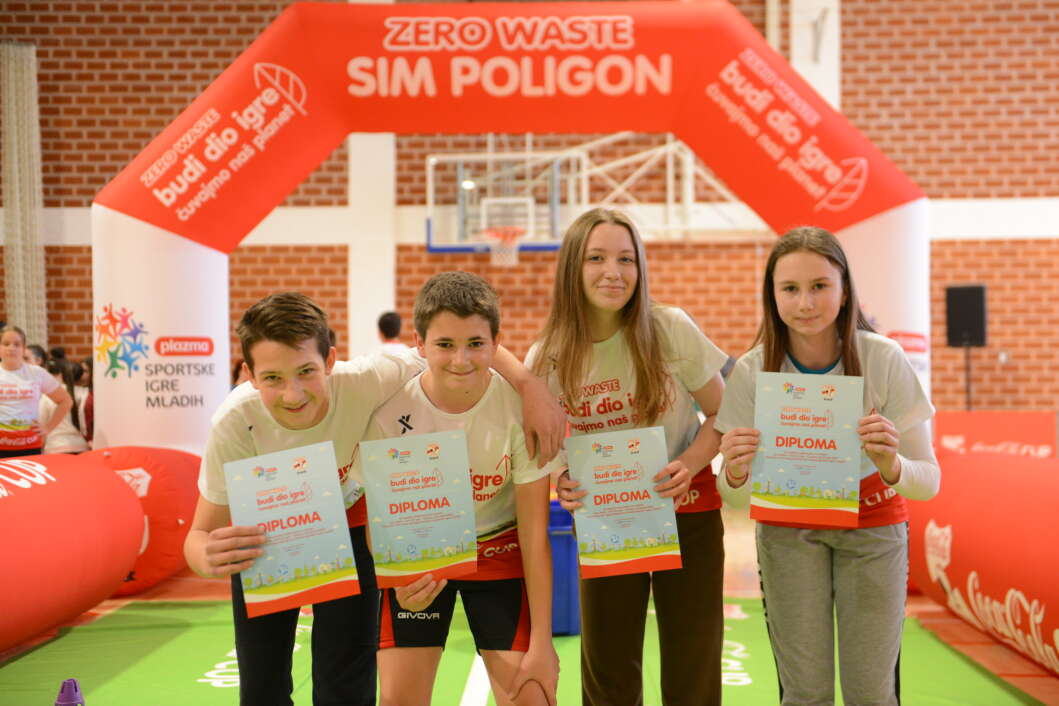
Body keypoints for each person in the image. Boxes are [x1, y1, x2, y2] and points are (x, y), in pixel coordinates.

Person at [183, 292, 563, 706]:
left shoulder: (367, 380)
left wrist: (529, 385)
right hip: (266, 538)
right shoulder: (234, 422)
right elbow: (199, 535)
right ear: (250, 376)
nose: (294, 394)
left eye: (306, 371)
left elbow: (461, 340)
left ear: (330, 360)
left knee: (346, 684)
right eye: (273, 378)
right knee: (261, 689)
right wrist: (205, 557)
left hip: (350, 527)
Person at [716, 226, 940, 705]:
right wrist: (735, 472)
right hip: (786, 533)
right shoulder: (753, 370)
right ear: (772, 295)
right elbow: (733, 495)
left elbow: (929, 481)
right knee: (805, 693)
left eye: (819, 286)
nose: (805, 303)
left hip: (873, 529)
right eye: (790, 288)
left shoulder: (883, 358)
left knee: (870, 694)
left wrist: (892, 465)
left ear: (845, 290)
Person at [527, 208, 728, 706]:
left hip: (687, 513)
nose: (613, 272)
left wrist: (691, 463)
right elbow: (540, 441)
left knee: (693, 663)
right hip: (606, 519)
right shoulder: (548, 354)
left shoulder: (668, 327)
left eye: (626, 259)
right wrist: (562, 475)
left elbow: (725, 413)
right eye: (596, 258)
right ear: (573, 267)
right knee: (608, 669)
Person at [354, 272, 558, 706]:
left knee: (533, 698)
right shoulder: (389, 413)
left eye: (475, 344)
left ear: (496, 342)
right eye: (445, 344)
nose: (461, 360)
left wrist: (543, 641)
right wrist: (397, 576)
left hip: (499, 549)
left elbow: (534, 535)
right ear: (420, 343)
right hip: (423, 556)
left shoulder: (520, 410)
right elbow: (377, 521)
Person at [0, 325, 73, 458]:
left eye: (17, 344)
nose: (11, 348)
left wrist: (48, 428)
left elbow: (66, 401)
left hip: (29, 445)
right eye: (6, 344)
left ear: (23, 348)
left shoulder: (36, 373)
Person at [39, 359, 91, 454]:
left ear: (59, 375)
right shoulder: (85, 393)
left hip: (55, 446)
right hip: (82, 446)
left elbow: (41, 425)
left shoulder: (48, 396)